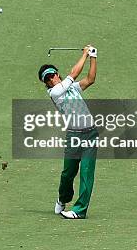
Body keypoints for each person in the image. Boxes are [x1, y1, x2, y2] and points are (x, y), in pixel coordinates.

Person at [38, 45, 98, 219]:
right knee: (68, 173)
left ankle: (79, 211)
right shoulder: (56, 92)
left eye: (52, 75)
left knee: (87, 172)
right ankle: (62, 198)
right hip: (74, 135)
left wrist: (94, 56)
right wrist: (85, 54)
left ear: (57, 74)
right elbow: (75, 73)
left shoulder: (72, 88)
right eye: (47, 79)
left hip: (90, 133)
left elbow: (90, 79)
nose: (51, 79)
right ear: (46, 83)